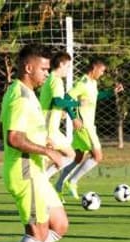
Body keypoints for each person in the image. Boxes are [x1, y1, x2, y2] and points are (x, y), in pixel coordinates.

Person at [0, 44, 68, 242]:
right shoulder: (20, 96)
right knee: (38, 233)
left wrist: (43, 143)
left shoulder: (28, 93)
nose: (47, 74)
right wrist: (47, 152)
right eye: (44, 69)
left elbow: (23, 132)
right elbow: (13, 137)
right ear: (29, 68)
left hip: (34, 170)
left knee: (59, 225)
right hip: (24, 171)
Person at [54, 57, 124, 199]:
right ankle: (72, 181)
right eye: (102, 71)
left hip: (88, 125)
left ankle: (59, 185)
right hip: (85, 126)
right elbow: (67, 99)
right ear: (94, 68)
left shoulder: (93, 83)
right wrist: (73, 118)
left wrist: (112, 92)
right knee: (97, 157)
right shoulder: (83, 83)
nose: (103, 74)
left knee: (78, 158)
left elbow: (95, 97)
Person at [39, 51, 80, 179]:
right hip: (49, 129)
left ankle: (43, 179)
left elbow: (53, 102)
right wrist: (78, 103)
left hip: (48, 127)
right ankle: (42, 180)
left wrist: (60, 111)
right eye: (67, 66)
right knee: (69, 156)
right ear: (61, 64)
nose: (68, 70)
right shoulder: (56, 81)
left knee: (67, 156)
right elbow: (57, 100)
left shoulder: (50, 79)